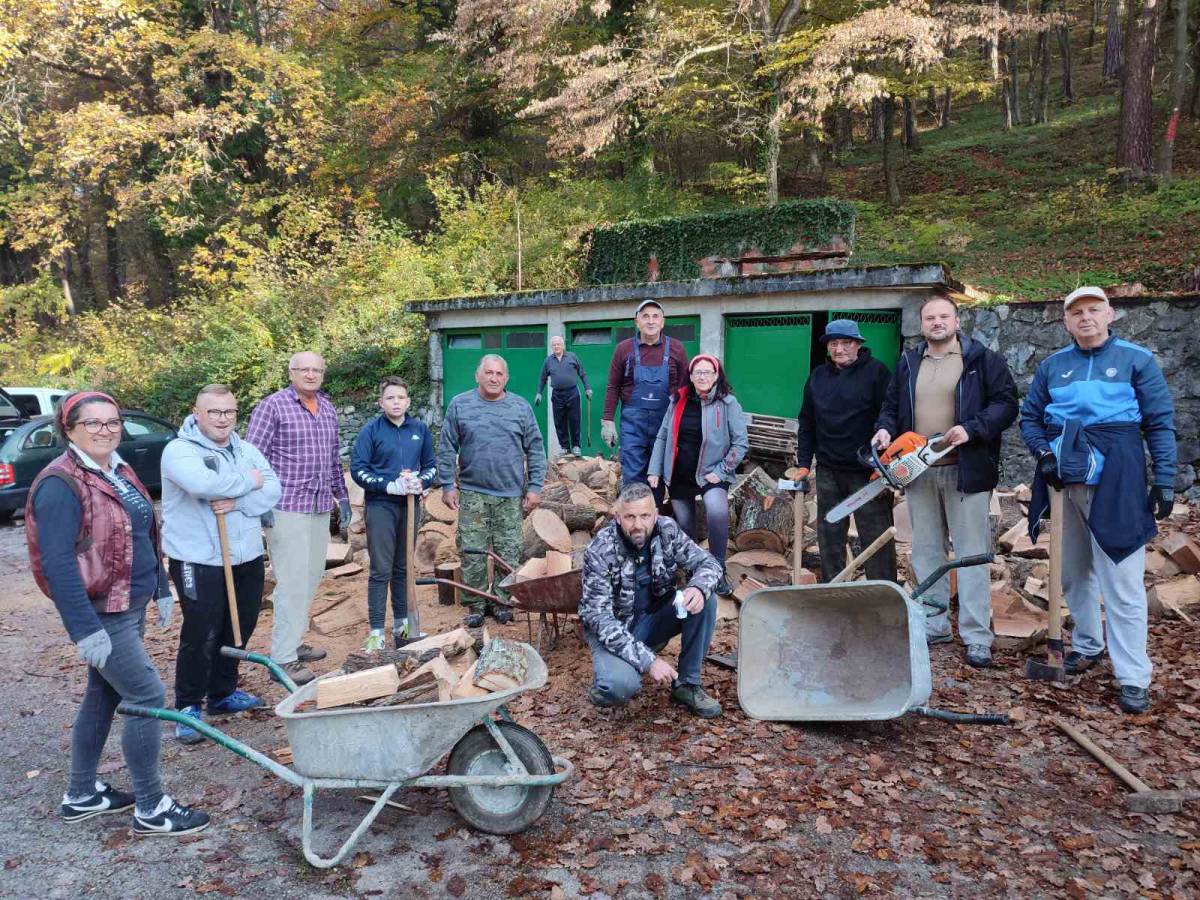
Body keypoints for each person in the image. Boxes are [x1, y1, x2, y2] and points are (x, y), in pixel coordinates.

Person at [25, 391, 209, 836]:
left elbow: (143, 532)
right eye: (93, 423)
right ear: (68, 429)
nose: (105, 431)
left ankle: (82, 794)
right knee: (145, 696)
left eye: (112, 422)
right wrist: (83, 628)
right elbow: (58, 563)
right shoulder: (60, 484)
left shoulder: (117, 469)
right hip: (100, 612)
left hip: (129, 603)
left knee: (105, 693)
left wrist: (161, 586)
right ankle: (151, 807)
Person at [1019, 286, 1176, 714]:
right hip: (1064, 476)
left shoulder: (1136, 360)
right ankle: (1088, 644)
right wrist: (1044, 454)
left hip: (1119, 474)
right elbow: (1031, 417)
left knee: (1122, 581)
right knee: (1073, 572)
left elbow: (1159, 422)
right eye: (1076, 312)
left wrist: (1165, 479)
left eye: (1093, 310)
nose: (1085, 318)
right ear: (1065, 321)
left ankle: (1133, 676)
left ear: (1111, 314)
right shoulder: (1054, 366)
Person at [873, 296, 1018, 668]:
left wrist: (972, 429)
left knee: (970, 552)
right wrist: (885, 429)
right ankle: (934, 623)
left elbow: (1006, 404)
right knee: (926, 550)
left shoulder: (981, 360)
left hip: (965, 467)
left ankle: (975, 635)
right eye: (930, 317)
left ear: (956, 321)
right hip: (919, 467)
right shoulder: (908, 362)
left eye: (943, 316)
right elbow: (890, 406)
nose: (936, 322)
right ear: (921, 324)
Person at [161, 384, 281, 744]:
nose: (222, 418)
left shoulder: (246, 449)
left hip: (245, 554)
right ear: (196, 413)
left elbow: (273, 488)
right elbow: (201, 484)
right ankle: (187, 704)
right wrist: (249, 484)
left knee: (240, 625)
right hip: (198, 558)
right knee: (202, 631)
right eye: (214, 412)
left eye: (229, 411)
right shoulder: (178, 451)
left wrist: (238, 501)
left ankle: (222, 693)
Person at [245, 351, 351, 685]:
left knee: (310, 577)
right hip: (285, 504)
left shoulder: (328, 408)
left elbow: (333, 458)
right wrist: (259, 500)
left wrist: (343, 497)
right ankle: (283, 658)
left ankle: (292, 640)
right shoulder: (272, 406)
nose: (310, 374)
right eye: (304, 369)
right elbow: (252, 456)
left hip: (320, 503)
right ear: (291, 373)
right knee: (291, 581)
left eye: (317, 369)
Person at [579, 482, 724, 718]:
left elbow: (709, 564)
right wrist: (649, 662)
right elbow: (600, 618)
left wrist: (698, 587)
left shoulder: (668, 531)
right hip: (614, 629)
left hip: (655, 617)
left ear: (655, 514)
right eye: (630, 517)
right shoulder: (600, 549)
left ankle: (687, 685)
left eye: (645, 516)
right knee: (620, 686)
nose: (638, 525)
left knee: (705, 600)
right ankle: (607, 680)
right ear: (617, 517)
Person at [438, 354, 546, 627]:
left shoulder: (520, 408)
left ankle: (501, 601)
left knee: (508, 551)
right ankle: (475, 603)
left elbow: (535, 449)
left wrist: (534, 487)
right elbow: (447, 447)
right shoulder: (460, 405)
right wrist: (448, 484)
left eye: (499, 373)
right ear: (478, 375)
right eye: (489, 372)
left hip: (510, 494)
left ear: (506, 378)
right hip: (473, 492)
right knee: (472, 551)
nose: (494, 378)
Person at [797, 319, 896, 583]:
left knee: (876, 535)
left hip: (867, 471)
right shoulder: (817, 377)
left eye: (845, 343)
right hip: (829, 470)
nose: (839, 349)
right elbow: (806, 422)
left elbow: (890, 414)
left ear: (857, 344)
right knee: (829, 535)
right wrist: (804, 464)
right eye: (833, 343)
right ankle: (833, 588)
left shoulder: (877, 373)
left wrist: (884, 459)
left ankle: (883, 592)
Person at [648, 355, 747, 595]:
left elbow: (741, 443)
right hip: (680, 473)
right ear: (690, 377)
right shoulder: (678, 401)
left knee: (717, 512)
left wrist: (721, 471)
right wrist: (654, 470)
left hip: (711, 474)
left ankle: (717, 569)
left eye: (708, 372)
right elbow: (662, 435)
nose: (702, 377)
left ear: (716, 376)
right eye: (698, 372)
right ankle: (694, 570)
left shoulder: (728, 403)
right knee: (685, 525)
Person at [351, 376, 437, 651]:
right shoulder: (371, 431)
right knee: (381, 569)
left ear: (408, 401)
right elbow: (358, 469)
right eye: (390, 398)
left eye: (400, 397)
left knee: (403, 567)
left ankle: (402, 624)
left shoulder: (420, 429)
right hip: (381, 506)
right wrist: (388, 485)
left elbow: (431, 466)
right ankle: (376, 630)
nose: (396, 402)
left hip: (410, 505)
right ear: (381, 402)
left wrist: (420, 482)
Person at [601, 300, 690, 503]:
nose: (651, 321)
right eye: (645, 316)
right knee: (633, 476)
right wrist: (607, 420)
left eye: (655, 316)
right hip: (633, 423)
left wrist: (686, 421)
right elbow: (613, 386)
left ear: (663, 321)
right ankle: (633, 523)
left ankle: (653, 519)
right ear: (637, 322)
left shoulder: (676, 348)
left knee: (656, 474)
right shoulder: (623, 349)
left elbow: (686, 388)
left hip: (665, 422)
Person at [536, 335, 592, 457]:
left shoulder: (572, 357)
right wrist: (539, 393)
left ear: (563, 345)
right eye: (554, 344)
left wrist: (587, 388)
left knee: (575, 420)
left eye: (558, 344)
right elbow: (542, 378)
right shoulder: (548, 361)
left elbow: (582, 373)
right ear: (552, 347)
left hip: (572, 392)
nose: (556, 346)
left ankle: (576, 446)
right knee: (559, 421)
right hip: (557, 394)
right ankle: (565, 447)